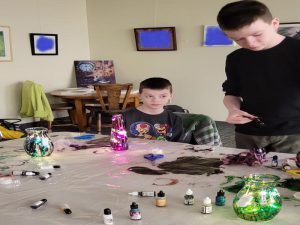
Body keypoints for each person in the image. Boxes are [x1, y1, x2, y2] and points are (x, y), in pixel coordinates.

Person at [217, 0, 300, 153]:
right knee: (245, 174)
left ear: (274, 23)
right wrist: (233, 109)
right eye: (239, 39)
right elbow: (231, 93)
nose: (250, 43)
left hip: (294, 132)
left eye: (257, 34)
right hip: (249, 132)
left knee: (291, 175)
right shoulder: (235, 58)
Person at [122, 77, 184, 142]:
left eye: (163, 96)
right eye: (150, 96)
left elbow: (179, 146)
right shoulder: (125, 117)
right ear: (139, 96)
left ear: (170, 96)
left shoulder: (175, 119)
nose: (156, 100)